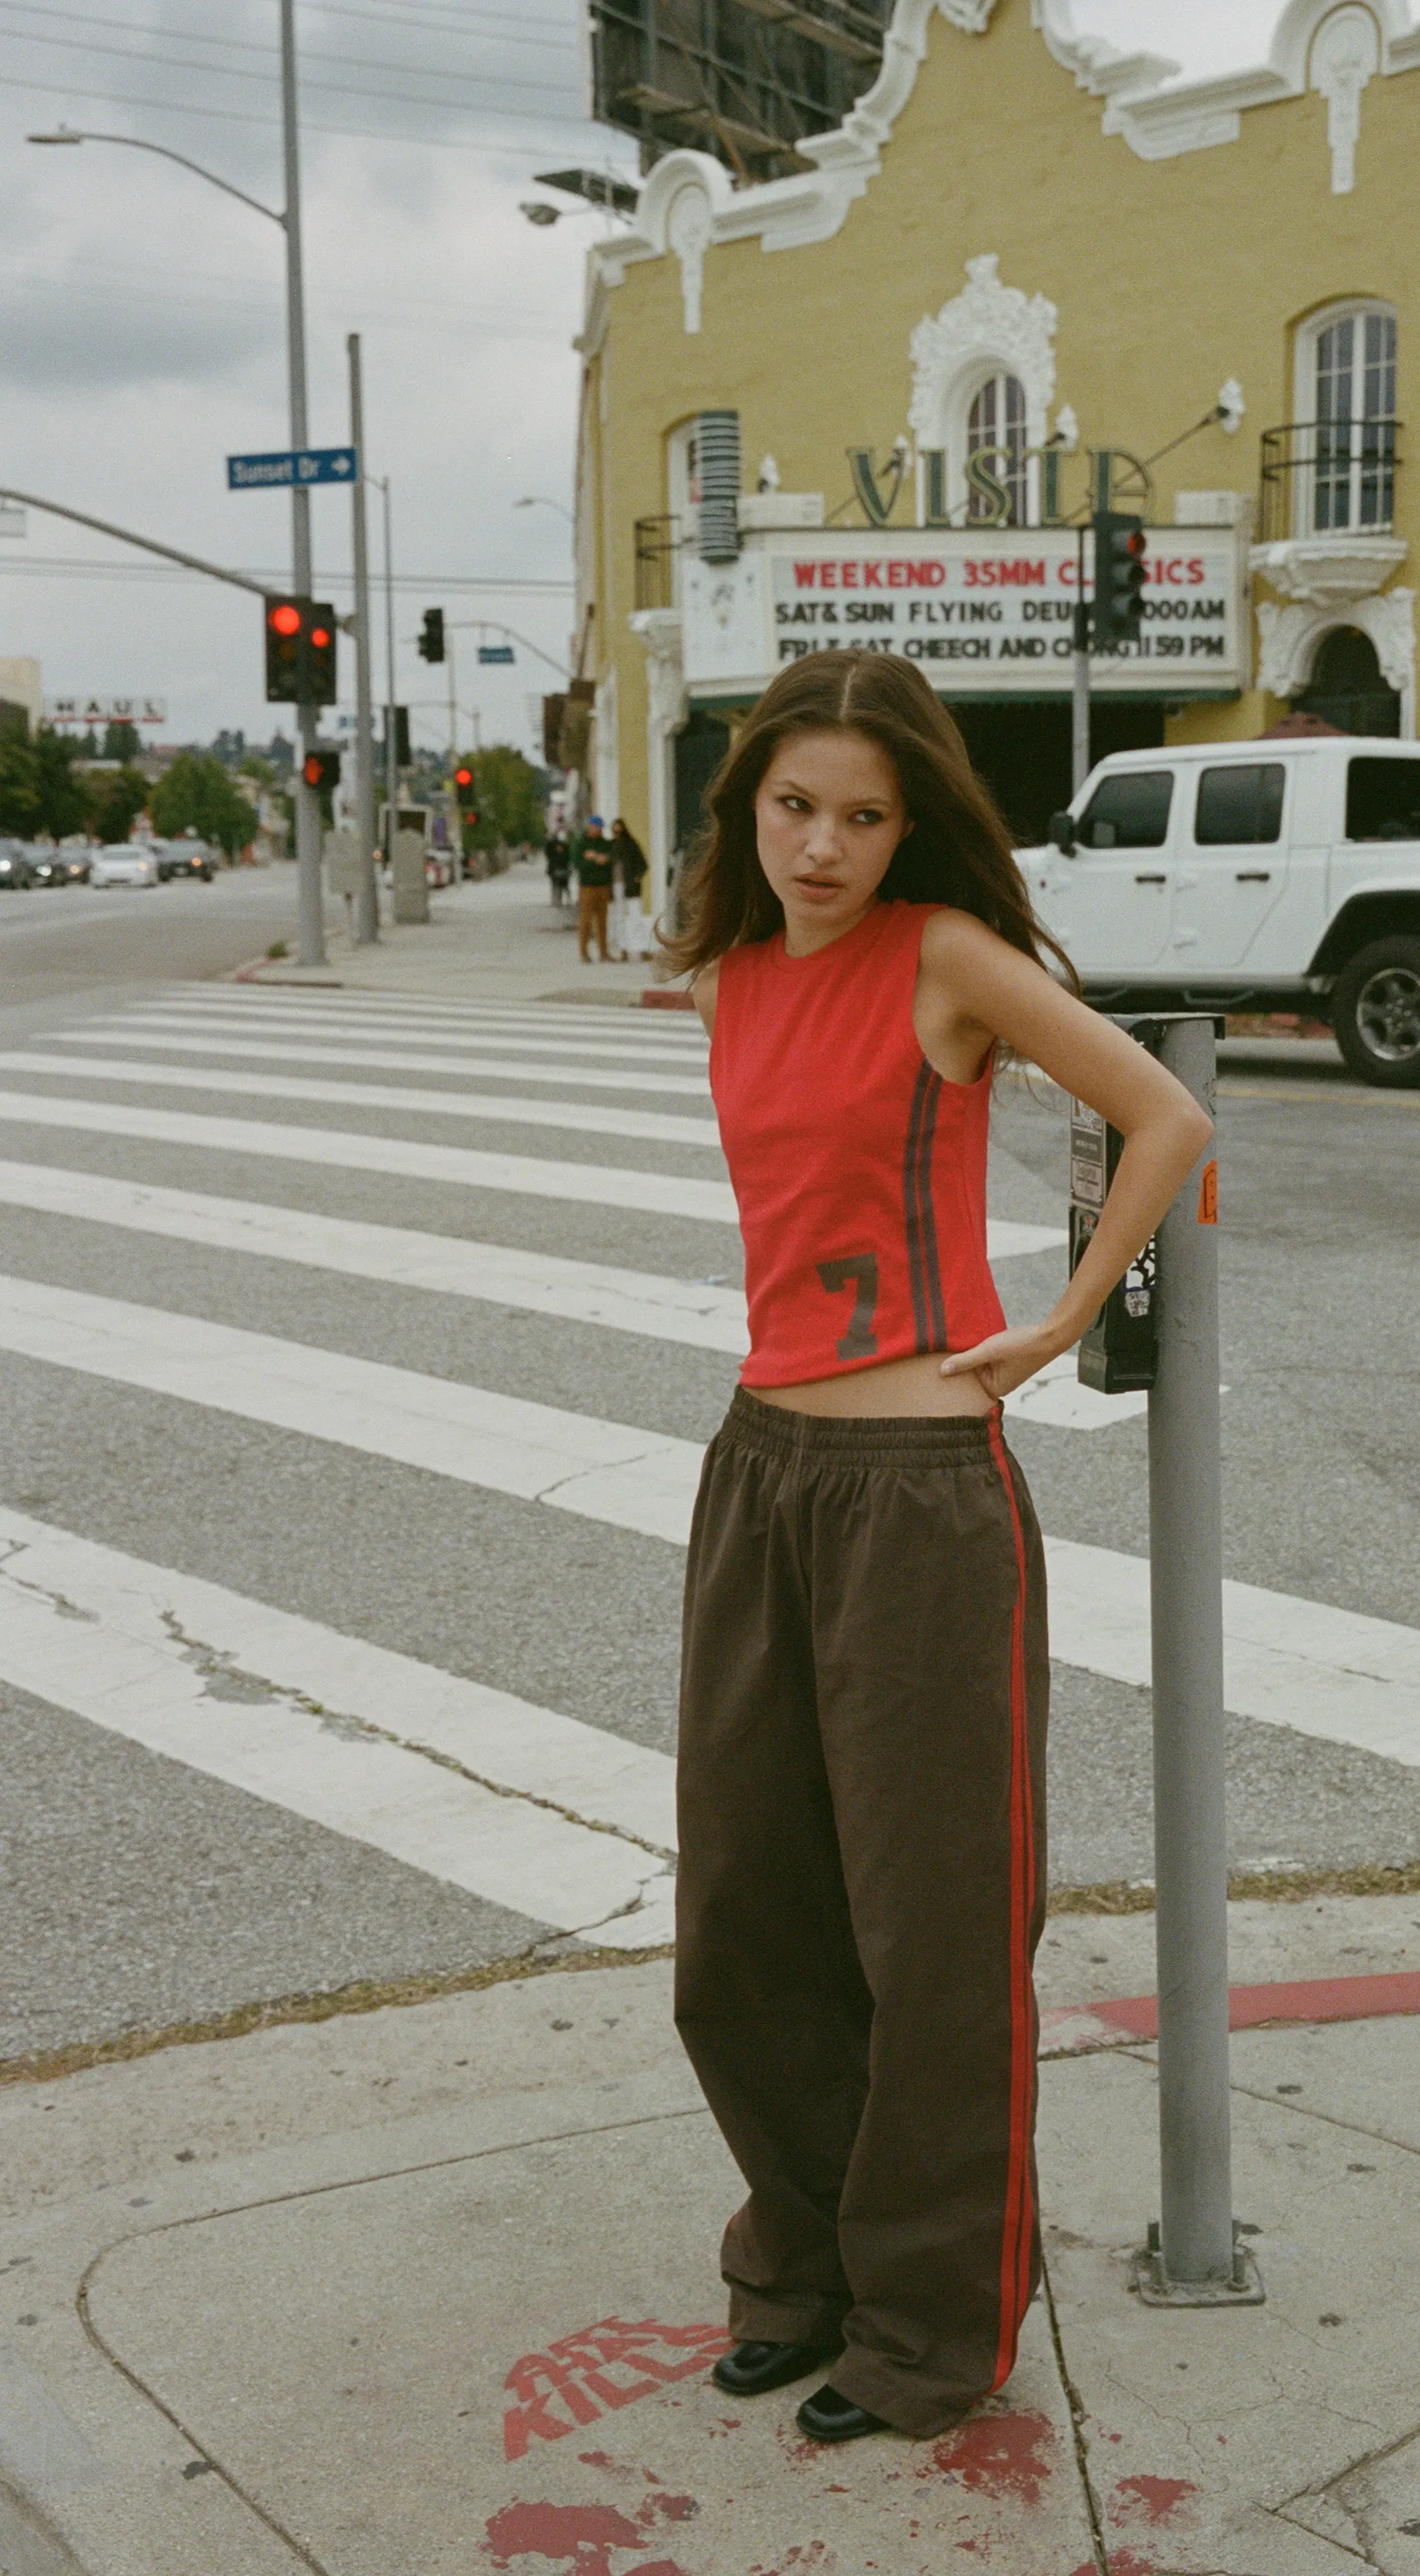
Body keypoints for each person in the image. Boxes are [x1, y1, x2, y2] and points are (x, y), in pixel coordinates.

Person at [663, 650, 1212, 2448]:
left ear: (915, 826)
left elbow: (1166, 1111)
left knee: (935, 1935)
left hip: (916, 1490)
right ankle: (798, 2260)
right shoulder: (731, 972)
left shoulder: (943, 959)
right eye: (794, 805)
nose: (824, 843)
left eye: (865, 813)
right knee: (744, 1922)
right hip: (759, 1470)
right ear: (747, 805)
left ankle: (923, 2318)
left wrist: (1056, 1319)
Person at [576, 814, 614, 962]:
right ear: (589, 827)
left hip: (603, 886)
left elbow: (609, 862)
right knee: (586, 920)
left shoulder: (605, 844)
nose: (596, 830)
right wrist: (595, 861)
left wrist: (594, 857)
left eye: (599, 828)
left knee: (602, 921)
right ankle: (584, 952)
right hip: (587, 887)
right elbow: (579, 864)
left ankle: (603, 953)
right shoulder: (581, 844)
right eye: (594, 827)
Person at [610, 816, 648, 960]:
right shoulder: (612, 846)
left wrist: (636, 878)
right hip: (616, 886)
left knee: (636, 917)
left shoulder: (631, 845)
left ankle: (641, 949)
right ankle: (623, 949)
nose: (617, 834)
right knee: (619, 918)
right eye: (615, 831)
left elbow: (643, 864)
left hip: (631, 887)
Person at [544, 829, 572, 909]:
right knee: (555, 884)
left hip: (564, 868)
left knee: (565, 885)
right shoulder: (551, 845)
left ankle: (566, 899)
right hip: (554, 868)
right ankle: (556, 899)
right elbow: (548, 853)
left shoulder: (566, 847)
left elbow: (569, 857)